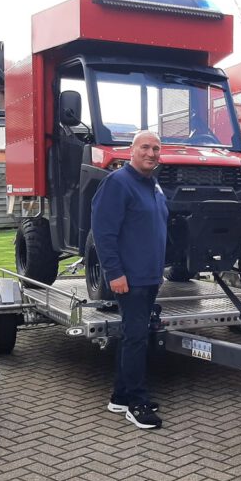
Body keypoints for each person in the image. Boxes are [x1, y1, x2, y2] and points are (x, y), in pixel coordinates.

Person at [91, 130, 168, 430]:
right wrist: (114, 273)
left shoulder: (152, 184)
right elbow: (104, 232)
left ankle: (121, 395)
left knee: (134, 335)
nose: (151, 153)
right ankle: (136, 403)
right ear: (131, 151)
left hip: (149, 276)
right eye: (146, 148)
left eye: (156, 149)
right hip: (130, 278)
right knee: (136, 338)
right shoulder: (118, 183)